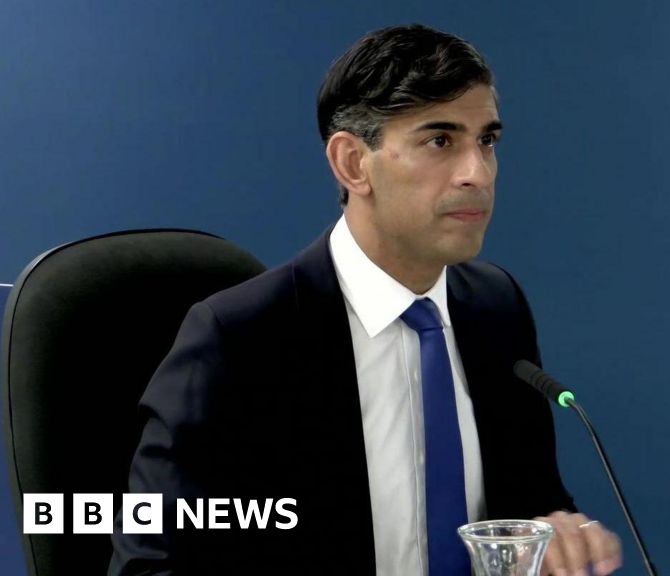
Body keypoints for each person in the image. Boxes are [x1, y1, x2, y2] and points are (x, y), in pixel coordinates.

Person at [110, 23, 622, 576]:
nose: (477, 173)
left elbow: (531, 504)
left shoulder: (497, 308)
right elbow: (149, 566)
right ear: (353, 163)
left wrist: (557, 535)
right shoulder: (236, 340)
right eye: (440, 141)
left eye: (487, 141)